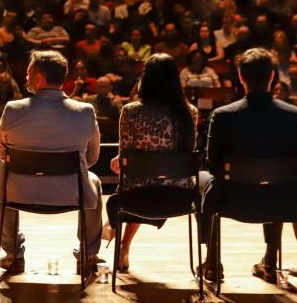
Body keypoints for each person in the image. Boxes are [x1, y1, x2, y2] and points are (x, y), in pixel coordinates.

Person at [0, 50, 103, 277]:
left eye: (28, 72)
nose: (25, 77)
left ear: (39, 77)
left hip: (19, 192)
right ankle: (88, 255)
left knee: (2, 179)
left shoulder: (13, 109)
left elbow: (1, 152)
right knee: (95, 182)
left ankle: (13, 252)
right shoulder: (85, 111)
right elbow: (91, 157)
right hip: (72, 193)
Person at [200, 48, 297, 284]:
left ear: (241, 77)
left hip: (232, 199)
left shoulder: (222, 116)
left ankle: (212, 263)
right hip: (284, 201)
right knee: (279, 180)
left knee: (203, 178)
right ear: (272, 77)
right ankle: (270, 261)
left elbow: (212, 164)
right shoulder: (294, 116)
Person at [104, 54, 198, 272]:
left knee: (134, 178)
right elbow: (187, 151)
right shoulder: (189, 113)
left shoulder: (131, 111)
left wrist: (121, 160)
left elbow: (124, 155)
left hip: (138, 196)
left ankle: (117, 237)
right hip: (178, 195)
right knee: (146, 175)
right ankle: (123, 242)